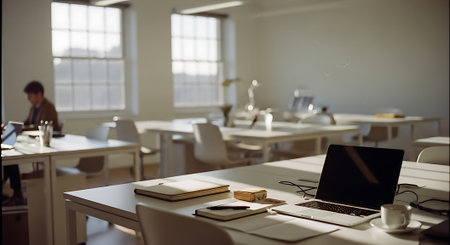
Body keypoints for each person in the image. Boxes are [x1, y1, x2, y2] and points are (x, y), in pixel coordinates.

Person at [3, 81, 60, 206]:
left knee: (10, 158)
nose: (28, 98)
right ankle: (16, 192)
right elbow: (27, 122)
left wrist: (21, 128)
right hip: (33, 142)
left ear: (39, 94)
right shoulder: (34, 107)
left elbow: (41, 127)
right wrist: (15, 127)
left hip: (45, 144)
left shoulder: (48, 107)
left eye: (30, 95)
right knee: (9, 155)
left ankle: (15, 191)